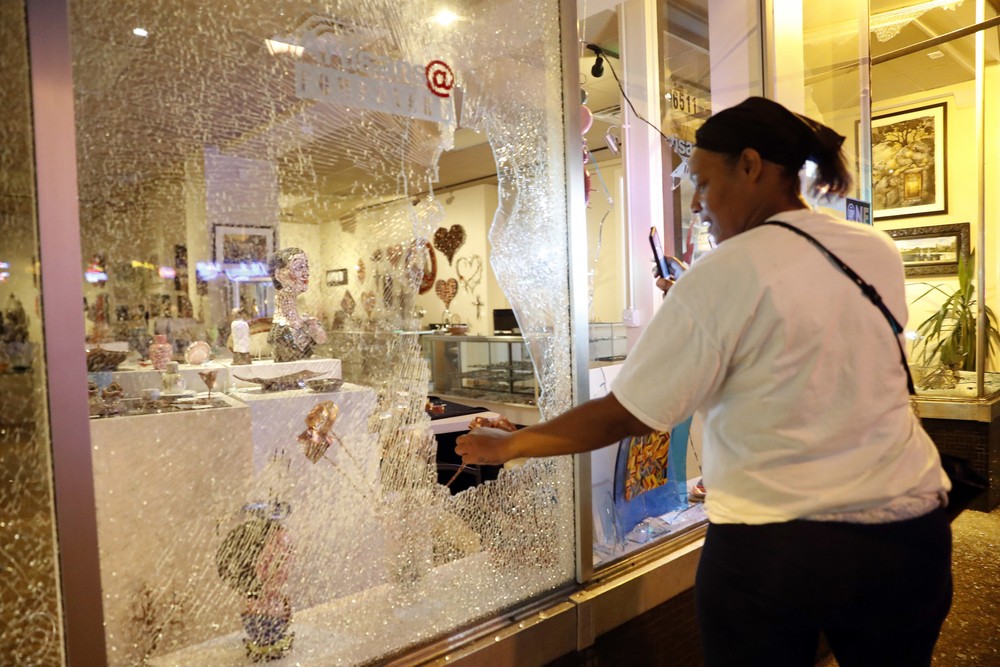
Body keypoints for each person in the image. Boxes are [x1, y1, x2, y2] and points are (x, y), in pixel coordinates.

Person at [455, 96, 952, 666]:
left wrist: (513, 445)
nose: (696, 203)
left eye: (703, 181)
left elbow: (628, 413)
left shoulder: (726, 271)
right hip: (908, 529)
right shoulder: (874, 248)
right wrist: (702, 298)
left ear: (751, 165)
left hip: (778, 544)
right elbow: (810, 339)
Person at [267, 247, 327, 362]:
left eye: (306, 267)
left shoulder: (306, 325)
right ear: (279, 275)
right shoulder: (279, 333)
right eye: (299, 267)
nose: (306, 273)